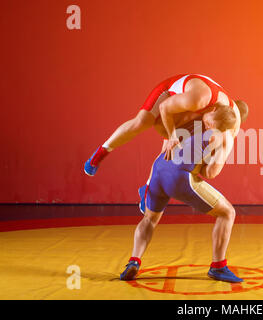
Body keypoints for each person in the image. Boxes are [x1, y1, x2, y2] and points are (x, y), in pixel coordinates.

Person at [119, 107, 243, 283]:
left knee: (149, 219)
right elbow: (210, 173)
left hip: (158, 168)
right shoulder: (225, 136)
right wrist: (204, 161)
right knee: (227, 213)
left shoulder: (199, 114)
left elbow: (167, 118)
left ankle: (134, 261)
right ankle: (218, 267)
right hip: (178, 176)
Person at [84, 74, 248, 175]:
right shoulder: (198, 99)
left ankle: (149, 188)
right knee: (142, 122)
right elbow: (164, 107)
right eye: (210, 124)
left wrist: (211, 160)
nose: (209, 128)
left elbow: (219, 157)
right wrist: (171, 136)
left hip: (195, 108)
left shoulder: (232, 123)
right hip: (169, 92)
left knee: (185, 141)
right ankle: (101, 152)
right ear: (212, 110)